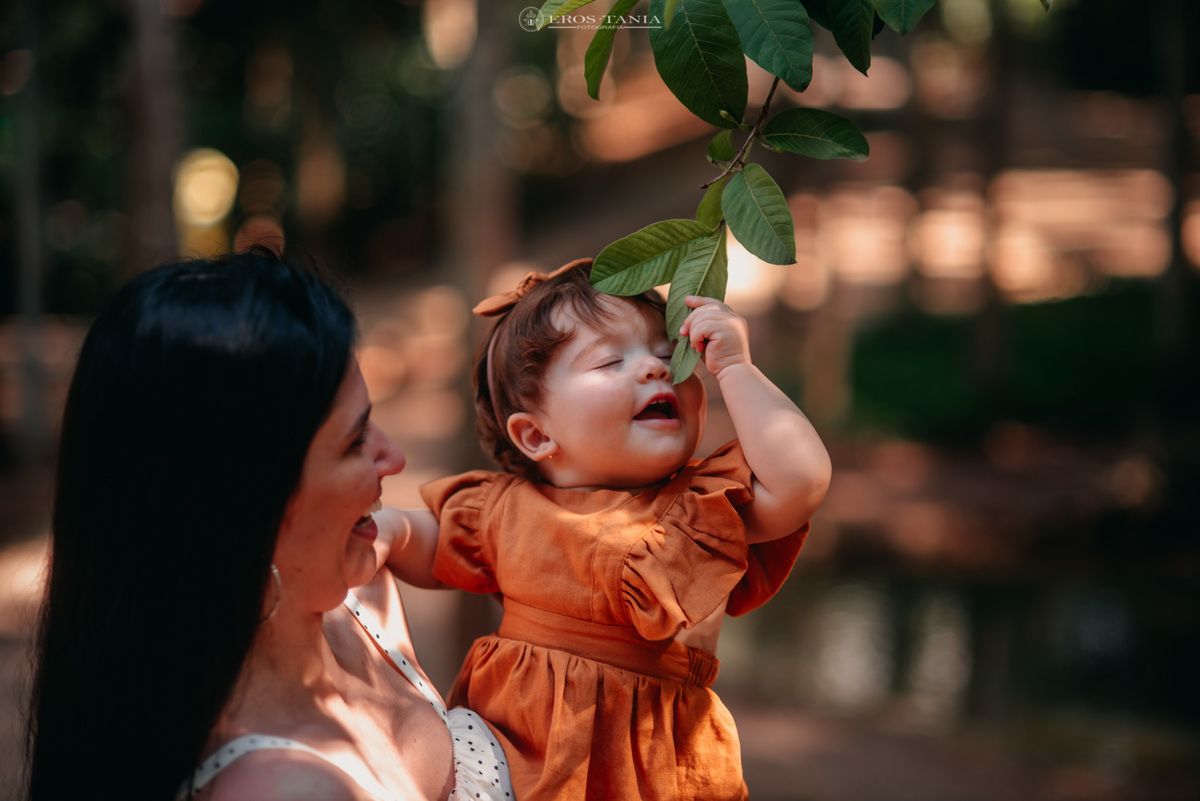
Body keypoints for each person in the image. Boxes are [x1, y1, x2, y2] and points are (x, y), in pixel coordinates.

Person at [23, 249, 513, 801]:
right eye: (354, 442)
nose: (393, 457)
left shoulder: (364, 597)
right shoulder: (281, 787)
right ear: (241, 502)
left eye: (370, 419)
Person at [374, 258, 832, 800]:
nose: (655, 369)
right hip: (510, 768)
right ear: (536, 435)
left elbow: (801, 482)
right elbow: (429, 547)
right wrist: (385, 532)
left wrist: (735, 368)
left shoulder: (699, 510)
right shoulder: (502, 510)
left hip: (656, 775)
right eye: (611, 361)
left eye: (669, 355)